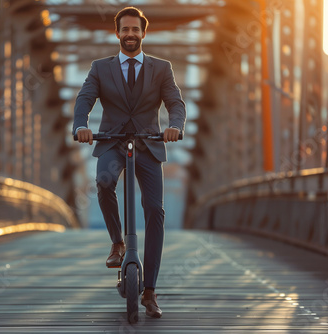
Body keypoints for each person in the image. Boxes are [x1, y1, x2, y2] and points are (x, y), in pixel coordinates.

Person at [73, 6, 186, 318]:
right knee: (104, 182)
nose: (130, 35)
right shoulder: (100, 68)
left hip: (148, 143)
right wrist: (81, 125)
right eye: (125, 30)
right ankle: (117, 243)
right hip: (112, 140)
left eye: (135, 30)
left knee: (155, 210)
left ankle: (149, 291)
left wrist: (175, 126)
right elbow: (84, 98)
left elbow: (175, 102)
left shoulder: (162, 68)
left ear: (143, 33)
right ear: (117, 33)